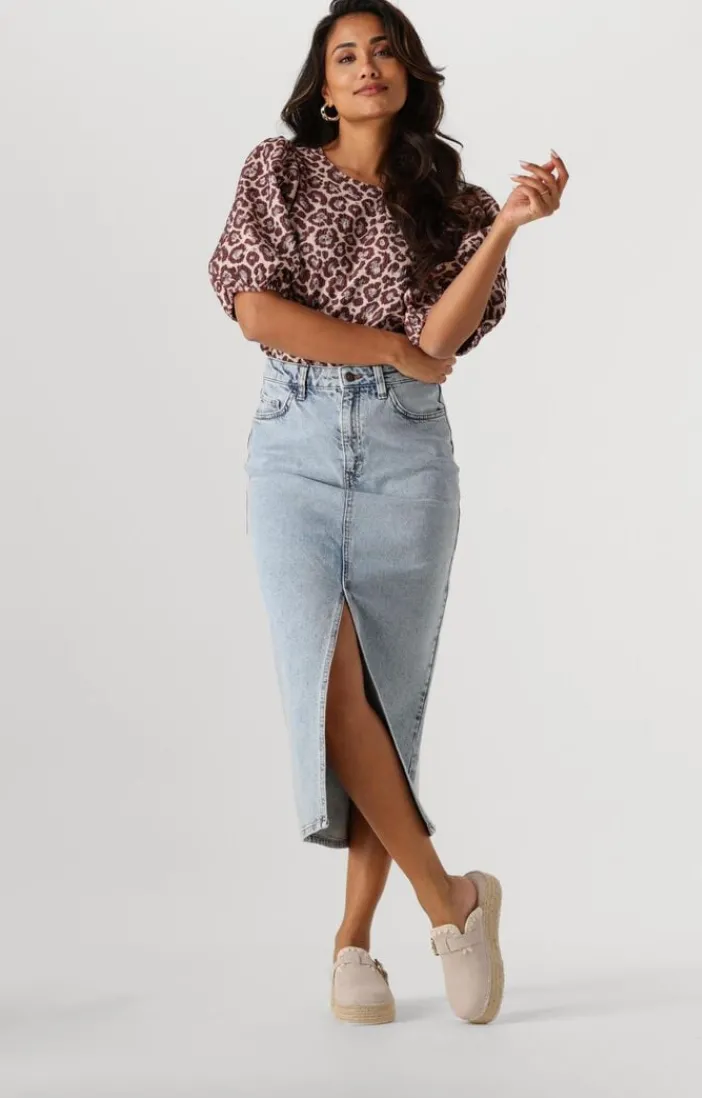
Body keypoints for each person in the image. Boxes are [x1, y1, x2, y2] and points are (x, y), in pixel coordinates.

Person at [208, 0, 568, 1027]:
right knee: (328, 690)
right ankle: (451, 901)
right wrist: (383, 346)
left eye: (384, 52)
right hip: (294, 446)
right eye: (346, 56)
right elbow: (256, 310)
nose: (367, 67)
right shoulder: (277, 173)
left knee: (381, 704)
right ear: (323, 87)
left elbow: (441, 344)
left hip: (409, 458)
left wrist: (507, 227)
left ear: (409, 74)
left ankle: (353, 944)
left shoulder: (453, 203)